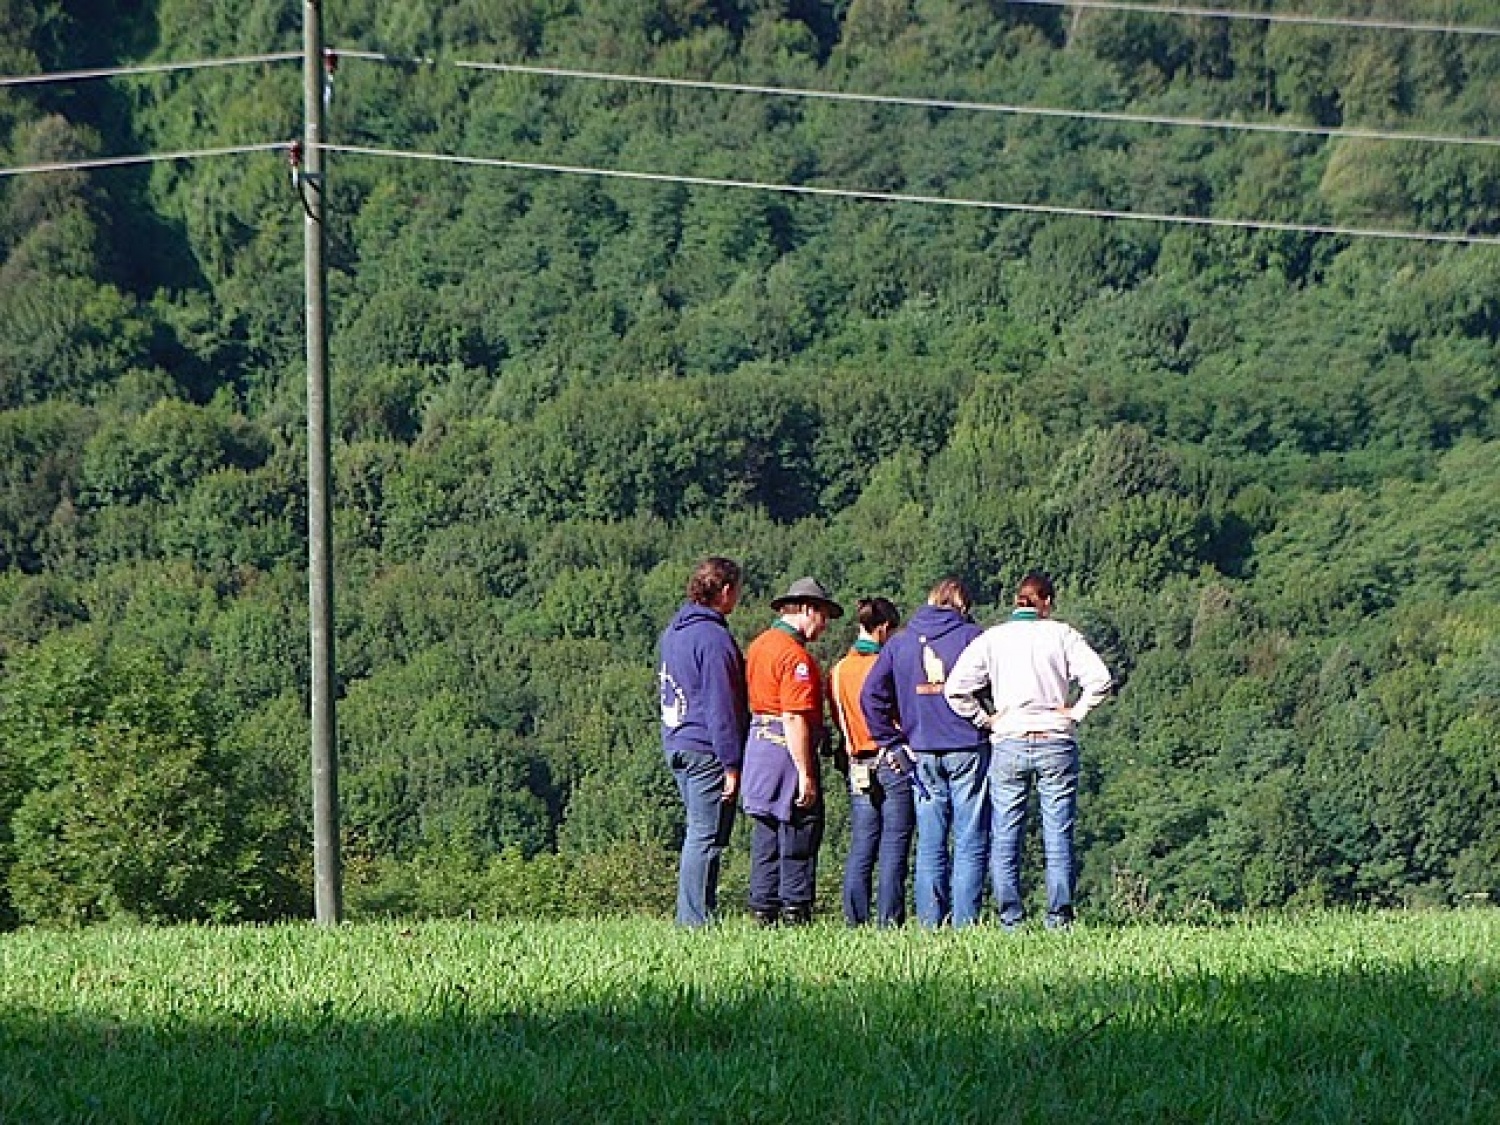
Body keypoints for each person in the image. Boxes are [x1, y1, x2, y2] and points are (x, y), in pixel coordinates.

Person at [945, 571, 1112, 931]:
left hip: (1009, 738)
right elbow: (1100, 679)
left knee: (1006, 832)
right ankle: (1058, 919)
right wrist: (1076, 712)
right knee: (1058, 832)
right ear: (1047, 603)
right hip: (1055, 738)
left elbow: (955, 688)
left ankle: (1011, 920)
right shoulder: (1062, 634)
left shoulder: (995, 638)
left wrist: (986, 719)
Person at [860, 577, 988, 928]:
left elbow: (870, 695)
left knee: (930, 841)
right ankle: (965, 924)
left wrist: (890, 740)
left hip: (921, 750)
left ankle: (930, 923)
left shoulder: (899, 643)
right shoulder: (973, 638)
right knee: (969, 839)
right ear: (962, 605)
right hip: (967, 746)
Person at [741, 576, 842, 926]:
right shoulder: (794, 656)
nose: (825, 624)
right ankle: (795, 911)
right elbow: (794, 716)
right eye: (823, 615)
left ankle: (761, 910)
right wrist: (806, 774)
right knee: (801, 826)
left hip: (758, 743)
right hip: (786, 748)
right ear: (806, 609)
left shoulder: (759, 645)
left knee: (766, 832)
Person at [658, 556, 749, 927]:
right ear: (725, 590)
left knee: (700, 832)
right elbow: (720, 706)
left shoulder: (673, 633)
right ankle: (694, 920)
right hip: (705, 747)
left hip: (676, 738)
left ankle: (697, 914)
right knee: (705, 836)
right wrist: (731, 762)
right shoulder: (713, 639)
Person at [829, 597, 911, 927]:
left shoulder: (838, 670)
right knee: (894, 842)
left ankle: (854, 919)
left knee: (862, 844)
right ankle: (889, 920)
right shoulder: (885, 667)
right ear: (883, 629)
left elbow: (838, 716)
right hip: (888, 757)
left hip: (856, 761)